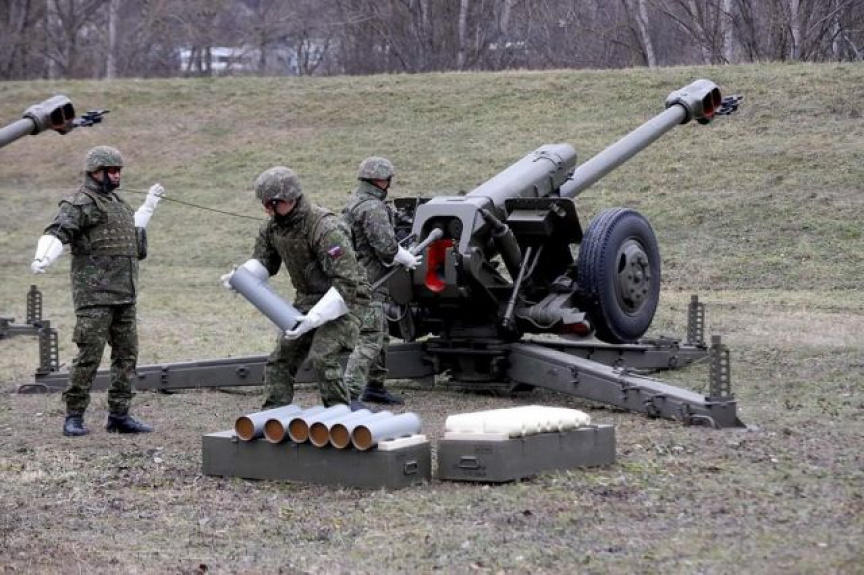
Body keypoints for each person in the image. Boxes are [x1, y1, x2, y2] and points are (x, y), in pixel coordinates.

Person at [30, 146, 165, 436]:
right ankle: (74, 415)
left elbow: (133, 243)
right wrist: (44, 257)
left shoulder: (119, 204)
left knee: (126, 356)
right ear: (94, 172)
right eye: (110, 171)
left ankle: (119, 415)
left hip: (125, 294)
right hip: (95, 297)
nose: (116, 175)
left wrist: (148, 208)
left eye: (118, 170)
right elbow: (57, 232)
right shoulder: (81, 202)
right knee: (89, 356)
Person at [222, 166, 371, 409]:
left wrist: (314, 319)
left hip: (347, 301)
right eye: (264, 203)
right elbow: (265, 261)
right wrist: (241, 278)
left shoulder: (326, 228)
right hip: (308, 299)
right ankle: (274, 415)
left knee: (323, 358)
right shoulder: (273, 227)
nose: (266, 209)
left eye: (271, 203)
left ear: (290, 199)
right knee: (280, 359)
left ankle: (339, 415)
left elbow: (347, 283)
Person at [342, 157, 421, 405]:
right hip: (367, 283)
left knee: (381, 335)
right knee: (370, 340)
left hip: (361, 280)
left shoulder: (355, 202)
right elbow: (386, 248)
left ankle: (375, 387)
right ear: (380, 180)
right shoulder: (373, 208)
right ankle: (348, 395)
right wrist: (404, 256)